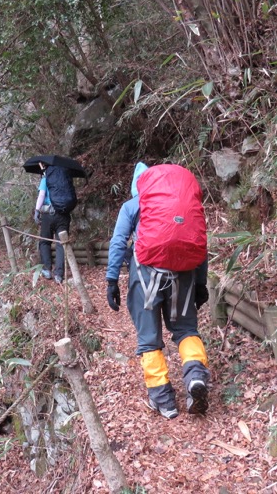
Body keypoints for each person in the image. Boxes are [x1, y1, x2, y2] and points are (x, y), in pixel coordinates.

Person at [105, 162, 211, 418]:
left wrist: (111, 279)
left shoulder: (132, 206)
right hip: (184, 274)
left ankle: (164, 400)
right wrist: (200, 283)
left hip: (145, 275)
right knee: (186, 330)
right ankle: (196, 377)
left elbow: (119, 241)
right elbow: (199, 243)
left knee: (149, 338)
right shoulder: (182, 204)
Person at [33, 163, 70, 284]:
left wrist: (37, 211)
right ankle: (59, 274)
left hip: (48, 215)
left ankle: (47, 269)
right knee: (61, 244)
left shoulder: (46, 179)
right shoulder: (65, 178)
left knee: (44, 241)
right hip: (63, 215)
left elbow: (41, 195)